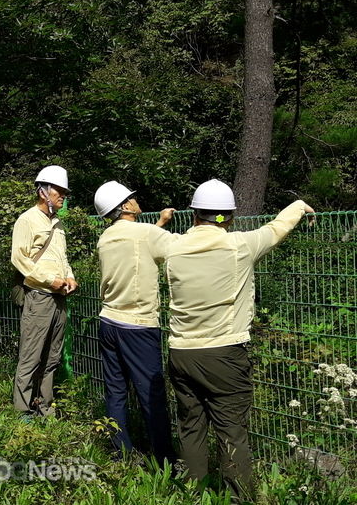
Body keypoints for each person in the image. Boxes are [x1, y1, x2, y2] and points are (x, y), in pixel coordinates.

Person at [165, 179, 314, 496]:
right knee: (231, 431)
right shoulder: (240, 245)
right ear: (229, 217)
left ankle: (194, 495)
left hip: (180, 352)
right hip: (223, 355)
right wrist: (299, 205)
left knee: (191, 428)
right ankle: (241, 498)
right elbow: (277, 228)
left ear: (194, 215)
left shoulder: (172, 247)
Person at [94, 181, 178, 463]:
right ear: (125, 206)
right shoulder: (145, 233)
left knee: (115, 392)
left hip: (109, 322)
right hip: (138, 326)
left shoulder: (105, 238)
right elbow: (180, 248)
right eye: (132, 197)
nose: (136, 199)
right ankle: (165, 462)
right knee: (151, 394)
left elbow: (138, 250)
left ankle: (120, 454)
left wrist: (159, 224)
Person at [11, 165, 78, 418]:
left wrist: (69, 277)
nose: (62, 196)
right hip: (39, 296)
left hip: (59, 296)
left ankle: (45, 407)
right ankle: (22, 411)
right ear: (43, 191)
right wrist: (50, 280)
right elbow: (19, 259)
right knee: (31, 355)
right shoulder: (27, 220)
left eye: (64, 192)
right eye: (59, 191)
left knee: (52, 356)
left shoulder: (57, 224)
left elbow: (62, 258)